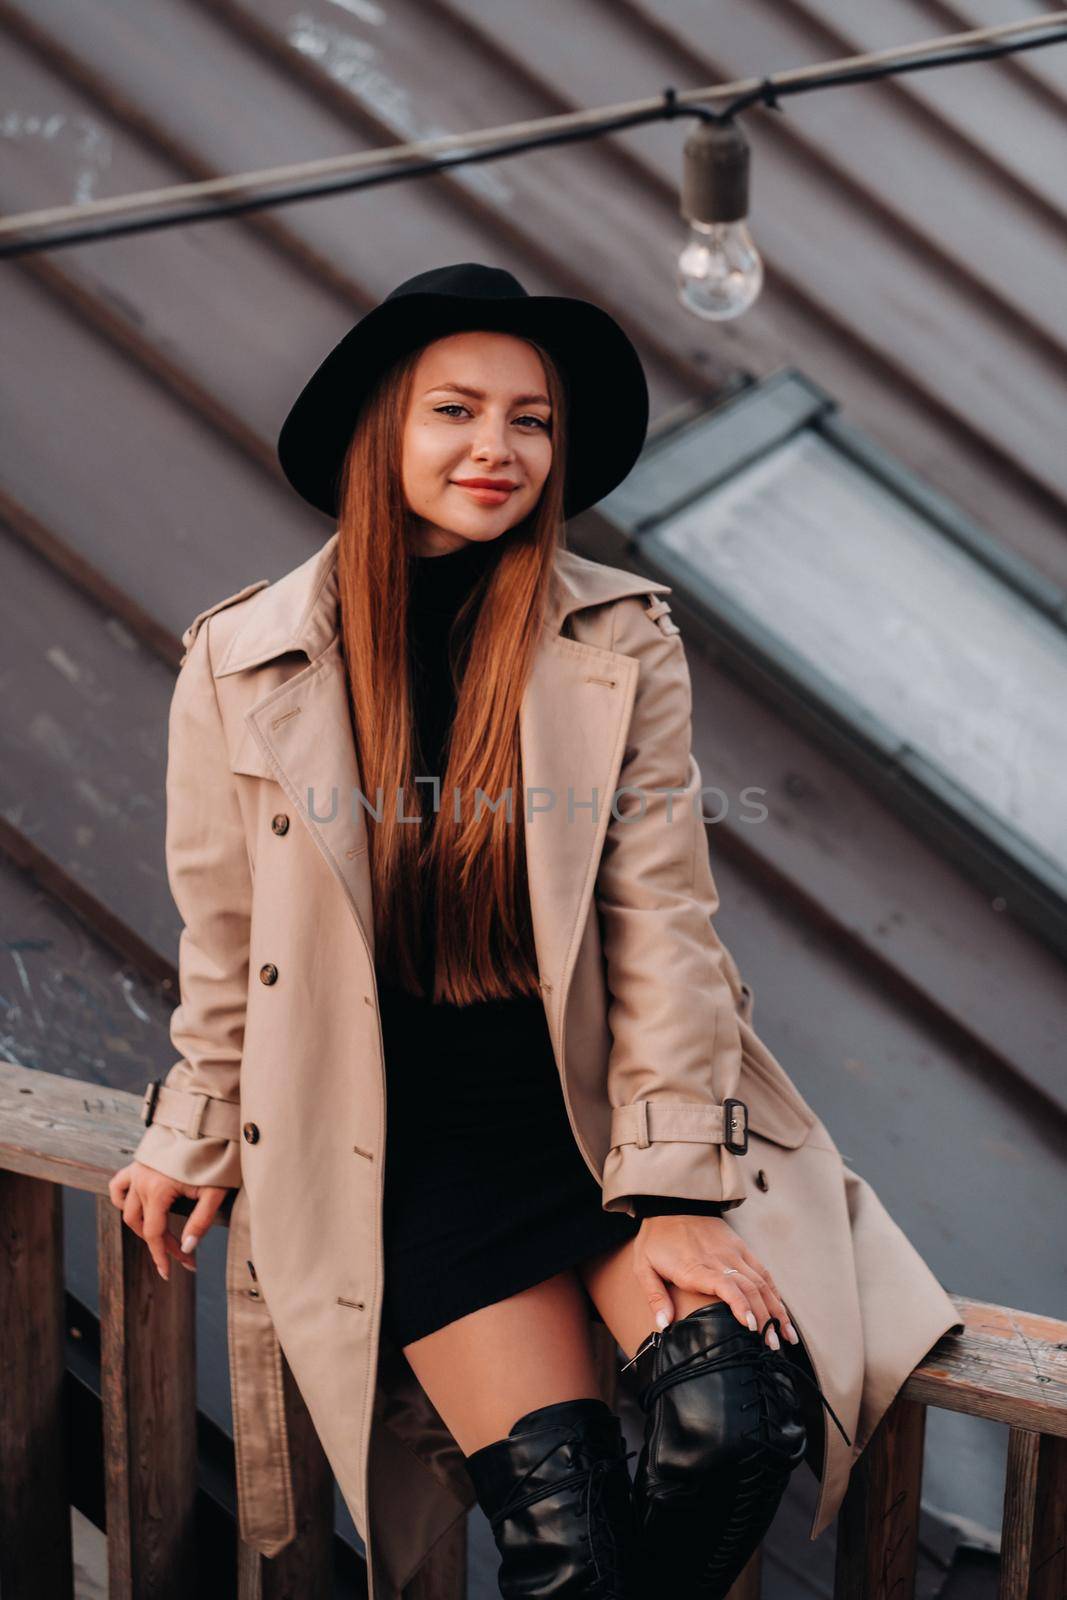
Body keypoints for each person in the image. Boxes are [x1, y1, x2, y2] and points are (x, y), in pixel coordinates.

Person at [109, 264, 845, 1599]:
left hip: (590, 1123)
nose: (497, 450)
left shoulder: (614, 638)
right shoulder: (243, 658)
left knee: (737, 1425)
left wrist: (674, 1190)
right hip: (412, 1151)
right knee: (568, 1543)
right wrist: (194, 1127)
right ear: (382, 429)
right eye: (455, 410)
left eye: (532, 420)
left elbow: (665, 918)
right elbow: (227, 936)